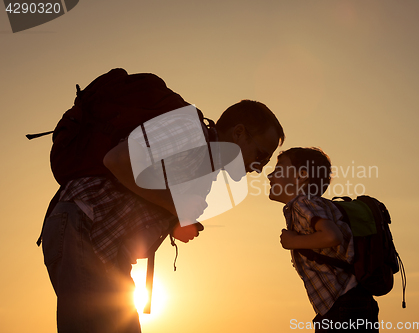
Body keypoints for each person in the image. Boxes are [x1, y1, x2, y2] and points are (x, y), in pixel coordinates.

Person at [42, 99, 285, 333]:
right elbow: (117, 159)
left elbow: (153, 201)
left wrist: (177, 224)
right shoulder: (187, 129)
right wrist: (176, 209)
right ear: (239, 133)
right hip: (82, 223)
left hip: (109, 253)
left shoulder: (207, 173)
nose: (260, 167)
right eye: (261, 154)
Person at [267, 147, 379, 332]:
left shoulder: (303, 203)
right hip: (350, 304)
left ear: (301, 175)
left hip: (344, 308)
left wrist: (292, 242)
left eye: (278, 169)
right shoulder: (314, 205)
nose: (270, 175)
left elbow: (331, 236)